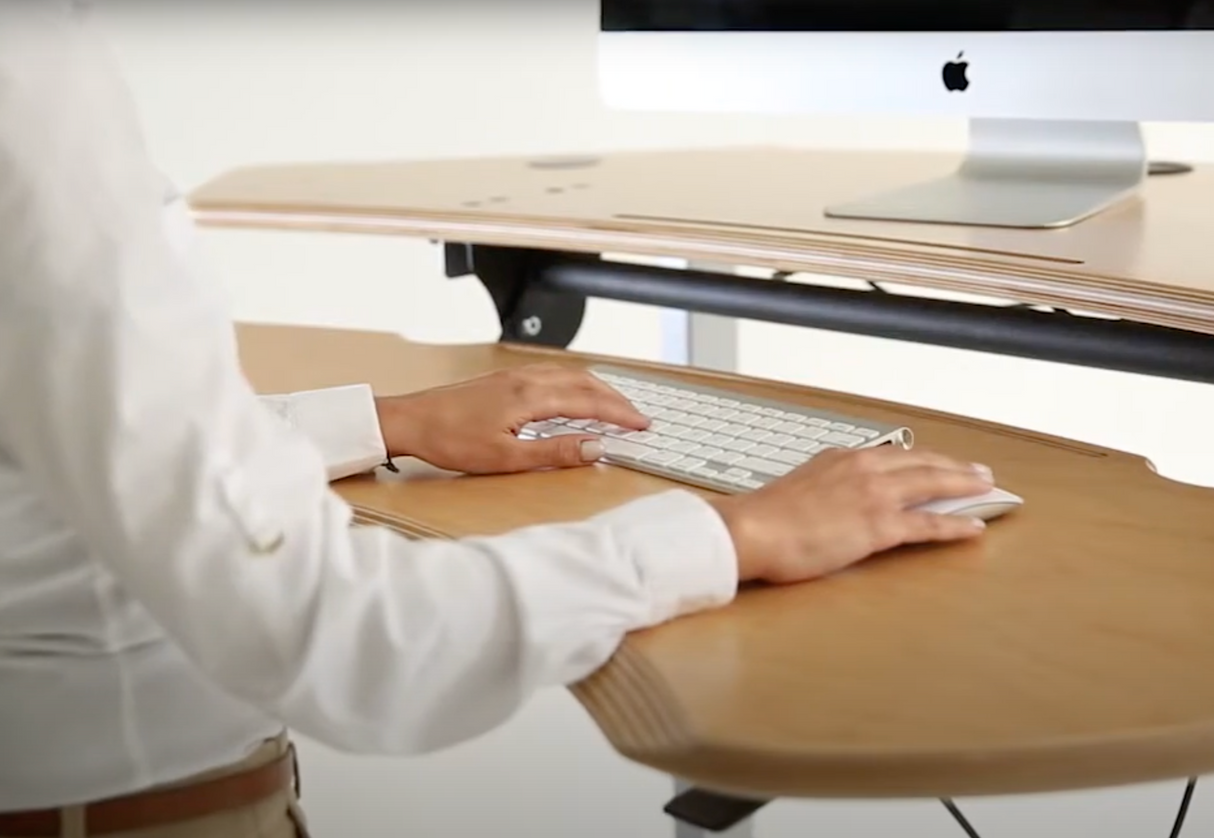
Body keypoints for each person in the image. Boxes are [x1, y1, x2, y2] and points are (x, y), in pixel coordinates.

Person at [0, 6, 994, 838]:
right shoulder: (33, 95)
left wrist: (386, 420)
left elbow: (59, 443)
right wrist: (736, 533)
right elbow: (337, 638)